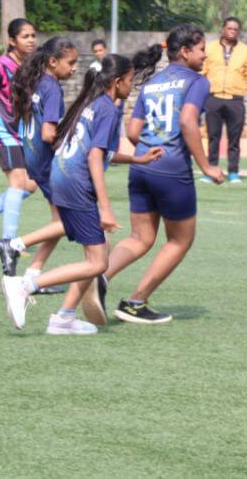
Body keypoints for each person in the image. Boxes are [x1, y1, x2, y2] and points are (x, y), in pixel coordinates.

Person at [0, 54, 162, 334]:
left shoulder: (90, 103)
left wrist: (138, 159)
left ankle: (64, 317)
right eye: (129, 79)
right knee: (98, 262)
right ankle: (25, 286)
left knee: (99, 249)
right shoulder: (108, 109)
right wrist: (106, 208)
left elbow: (97, 151)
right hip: (75, 185)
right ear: (117, 81)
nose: (131, 85)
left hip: (61, 178)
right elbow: (95, 157)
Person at [81, 24, 224, 326]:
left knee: (140, 237)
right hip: (172, 169)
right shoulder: (197, 81)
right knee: (180, 240)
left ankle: (99, 276)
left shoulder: (151, 82)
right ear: (185, 51)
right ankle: (136, 302)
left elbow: (133, 131)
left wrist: (151, 147)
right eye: (201, 50)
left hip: (142, 166)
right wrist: (206, 166)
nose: (205, 56)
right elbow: (187, 122)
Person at [0, 37, 79, 293]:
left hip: (34, 160)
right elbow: (48, 134)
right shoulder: (52, 88)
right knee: (70, 222)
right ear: (53, 62)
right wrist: (75, 142)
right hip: (48, 165)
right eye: (71, 63)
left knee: (58, 223)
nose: (75, 68)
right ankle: (14, 244)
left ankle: (32, 278)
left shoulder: (36, 82)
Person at [0, 19, 37, 252]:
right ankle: (9, 242)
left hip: (19, 133)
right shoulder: (1, 65)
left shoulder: (29, 66)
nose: (30, 40)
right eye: (25, 36)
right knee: (18, 182)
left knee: (30, 185)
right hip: (2, 131)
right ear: (12, 40)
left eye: (32, 35)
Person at [200, 16, 247, 184]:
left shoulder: (246, 51)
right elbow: (202, 71)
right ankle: (211, 170)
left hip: (235, 99)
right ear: (223, 29)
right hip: (214, 98)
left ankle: (233, 171)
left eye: (235, 29)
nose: (232, 31)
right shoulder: (209, 48)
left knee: (234, 138)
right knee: (213, 137)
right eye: (229, 28)